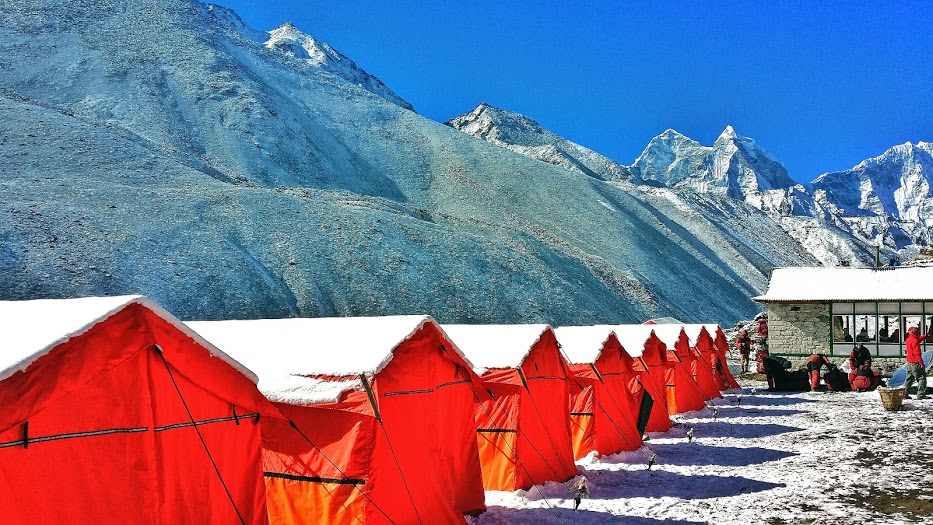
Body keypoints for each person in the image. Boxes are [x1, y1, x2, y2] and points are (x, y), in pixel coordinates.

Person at [903, 326, 928, 399]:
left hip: (909, 362)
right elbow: (917, 353)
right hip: (915, 362)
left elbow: (918, 339)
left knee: (909, 378)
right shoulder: (915, 340)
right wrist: (921, 362)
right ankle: (921, 394)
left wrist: (925, 336)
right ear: (915, 332)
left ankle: (904, 393)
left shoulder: (909, 339)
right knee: (921, 378)